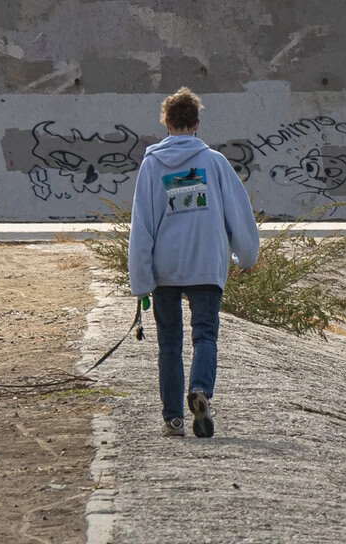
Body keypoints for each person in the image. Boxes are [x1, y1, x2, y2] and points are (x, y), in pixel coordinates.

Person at [127, 87, 261, 439]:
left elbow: (141, 226)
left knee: (169, 343)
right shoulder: (215, 162)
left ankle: (173, 419)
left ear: (166, 122)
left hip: (165, 268)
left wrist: (141, 282)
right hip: (206, 264)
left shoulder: (152, 165)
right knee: (205, 336)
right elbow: (239, 214)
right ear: (197, 123)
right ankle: (200, 390)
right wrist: (245, 257)